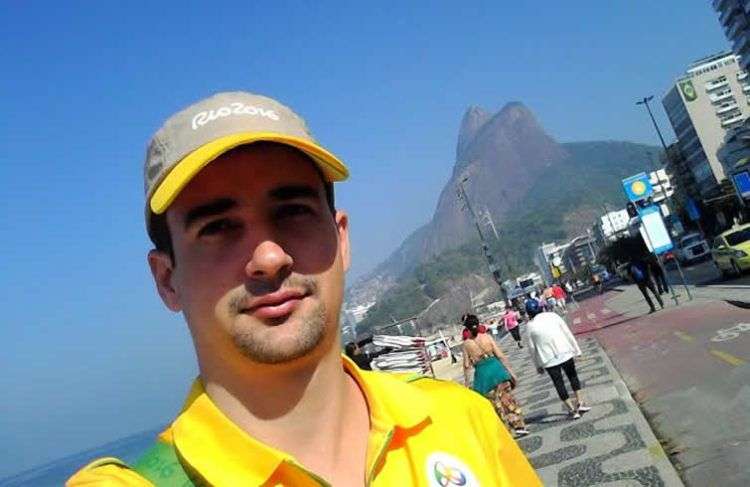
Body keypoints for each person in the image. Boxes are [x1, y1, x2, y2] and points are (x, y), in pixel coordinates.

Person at [67, 92, 540, 486]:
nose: (269, 257)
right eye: (217, 227)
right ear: (167, 280)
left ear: (342, 238)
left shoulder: (460, 419)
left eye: (292, 211)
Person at [462, 314, 529, 438]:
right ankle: (518, 425)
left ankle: (505, 431)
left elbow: (467, 365)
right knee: (507, 399)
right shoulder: (487, 337)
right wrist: (511, 372)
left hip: (483, 376)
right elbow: (500, 355)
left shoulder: (466, 344)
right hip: (497, 370)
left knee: (495, 404)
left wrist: (467, 383)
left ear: (467, 329)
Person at [525, 299, 591, 420]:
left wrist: (537, 365)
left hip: (548, 359)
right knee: (573, 376)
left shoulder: (530, 326)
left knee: (558, 383)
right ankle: (580, 402)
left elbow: (532, 348)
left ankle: (572, 410)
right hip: (565, 352)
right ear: (541, 307)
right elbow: (567, 332)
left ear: (528, 312)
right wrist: (577, 350)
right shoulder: (553, 316)